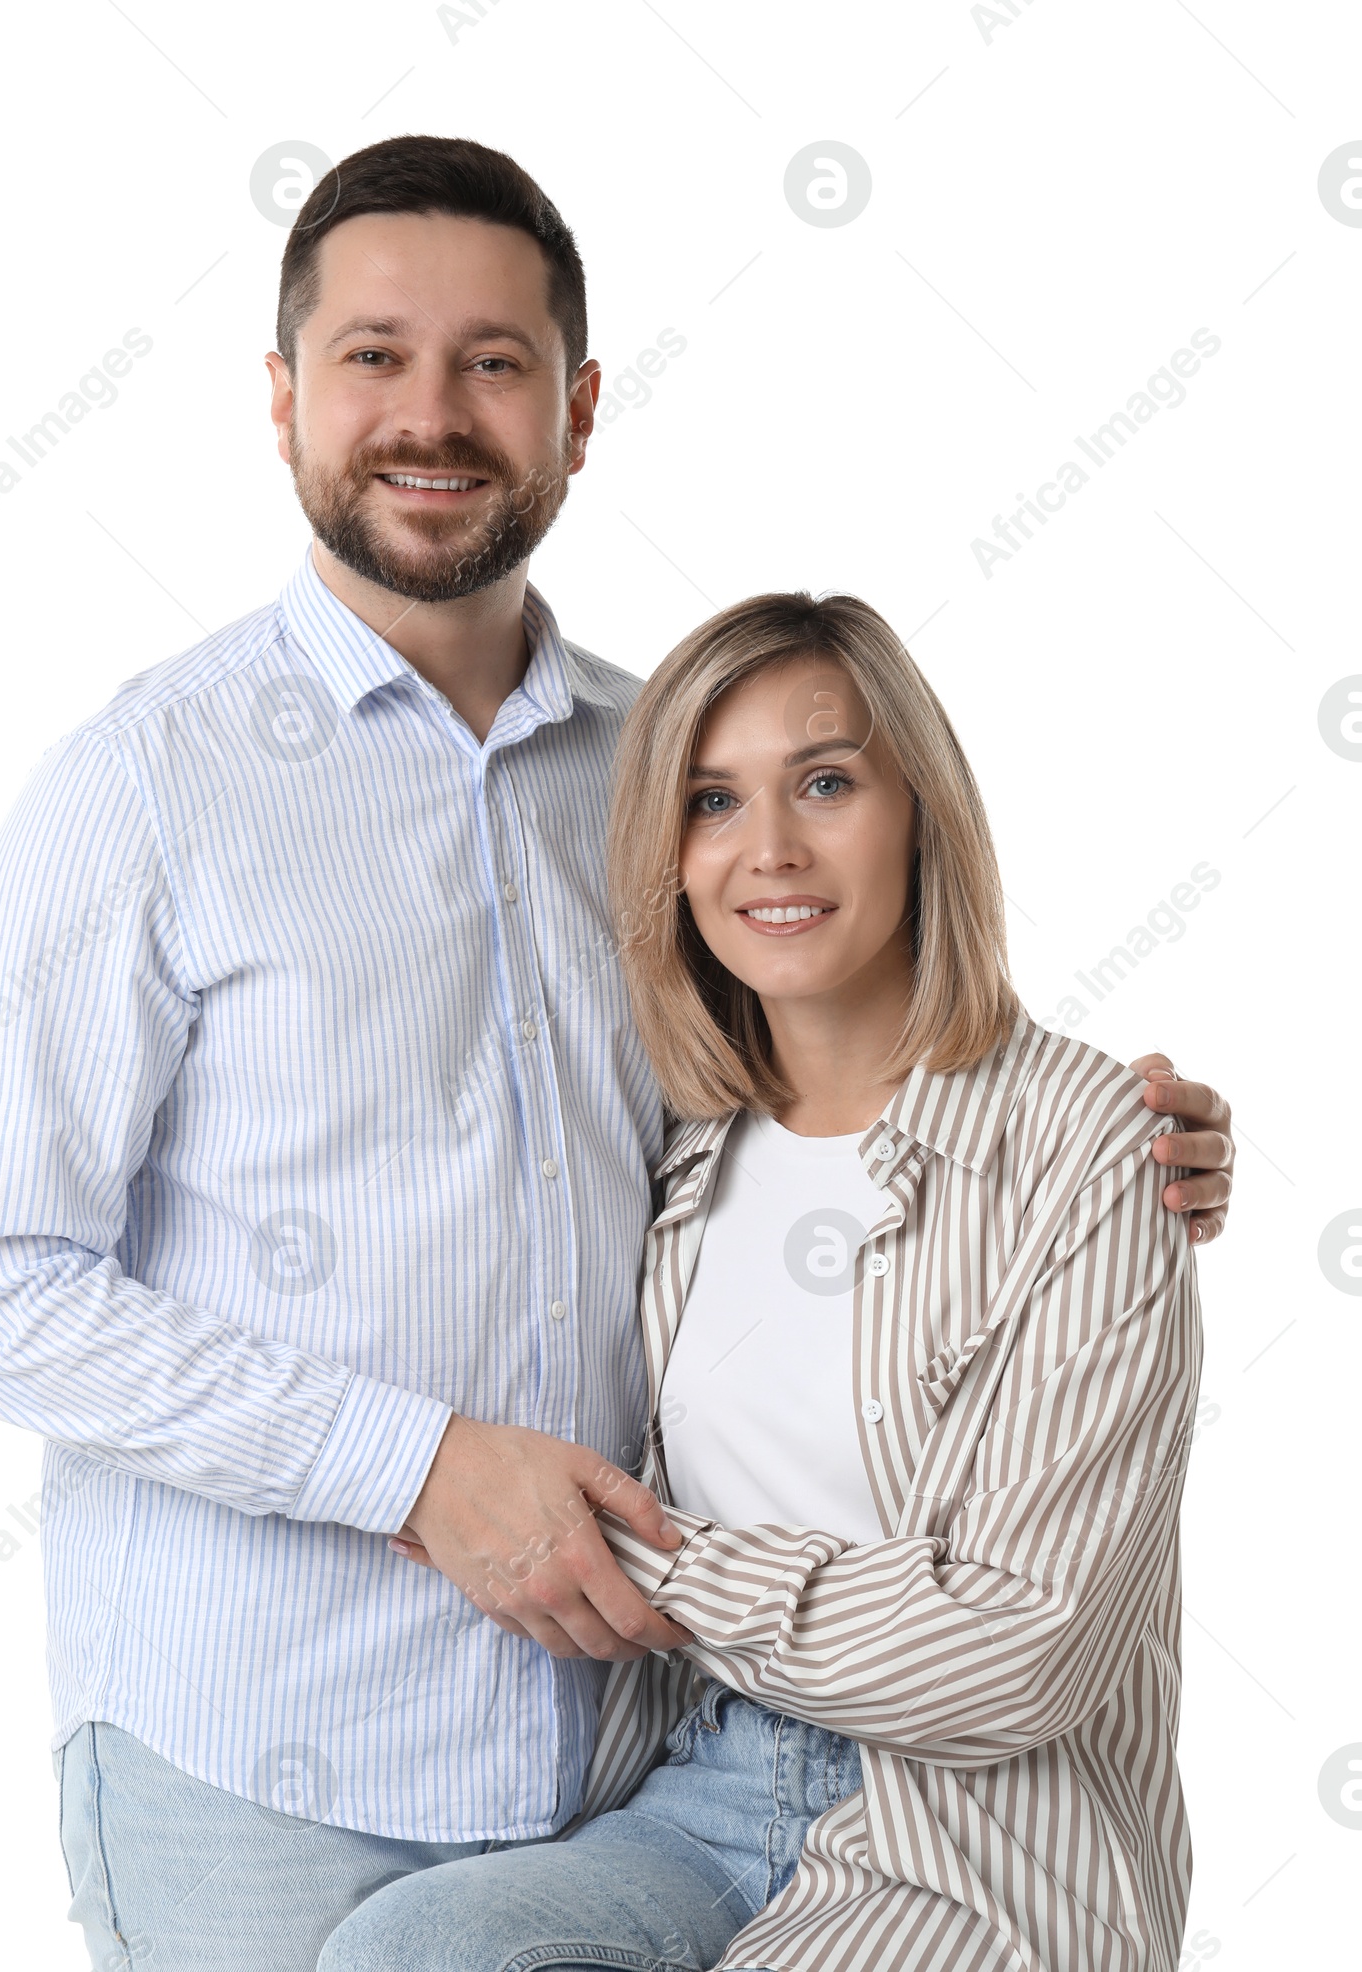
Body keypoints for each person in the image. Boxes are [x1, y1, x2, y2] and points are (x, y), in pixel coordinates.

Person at [0, 137, 1231, 1972]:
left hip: (622, 1755)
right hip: (252, 1752)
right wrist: (416, 1466)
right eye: (373, 356)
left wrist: (1104, 1142)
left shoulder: (663, 774)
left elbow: (831, 1092)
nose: (430, 413)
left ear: (580, 409)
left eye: (495, 362)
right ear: (285, 398)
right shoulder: (144, 786)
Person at [323, 590, 1204, 1972]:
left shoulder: (1088, 1145)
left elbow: (1018, 1655)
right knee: (407, 1955)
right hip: (710, 1793)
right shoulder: (686, 1153)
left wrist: (634, 1561)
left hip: (967, 1845)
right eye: (714, 801)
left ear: (923, 812)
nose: (770, 850)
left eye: (828, 782)